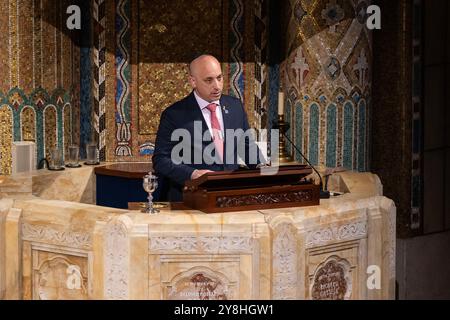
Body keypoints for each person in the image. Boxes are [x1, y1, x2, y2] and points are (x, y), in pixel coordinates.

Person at [152, 54, 263, 202]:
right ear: (193, 81)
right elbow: (161, 160)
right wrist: (193, 173)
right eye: (208, 80)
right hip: (192, 197)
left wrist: (263, 166)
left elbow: (246, 146)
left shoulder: (235, 106)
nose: (217, 86)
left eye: (219, 78)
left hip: (231, 196)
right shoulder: (174, 114)